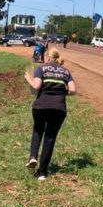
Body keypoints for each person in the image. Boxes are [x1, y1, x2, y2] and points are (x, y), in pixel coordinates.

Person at [23, 48, 76, 180]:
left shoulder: (42, 68)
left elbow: (36, 86)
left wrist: (28, 78)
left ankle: (33, 157)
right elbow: (73, 90)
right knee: (50, 137)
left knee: (38, 130)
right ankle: (42, 173)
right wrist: (61, 93)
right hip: (59, 108)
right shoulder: (65, 71)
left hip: (41, 106)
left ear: (47, 57)